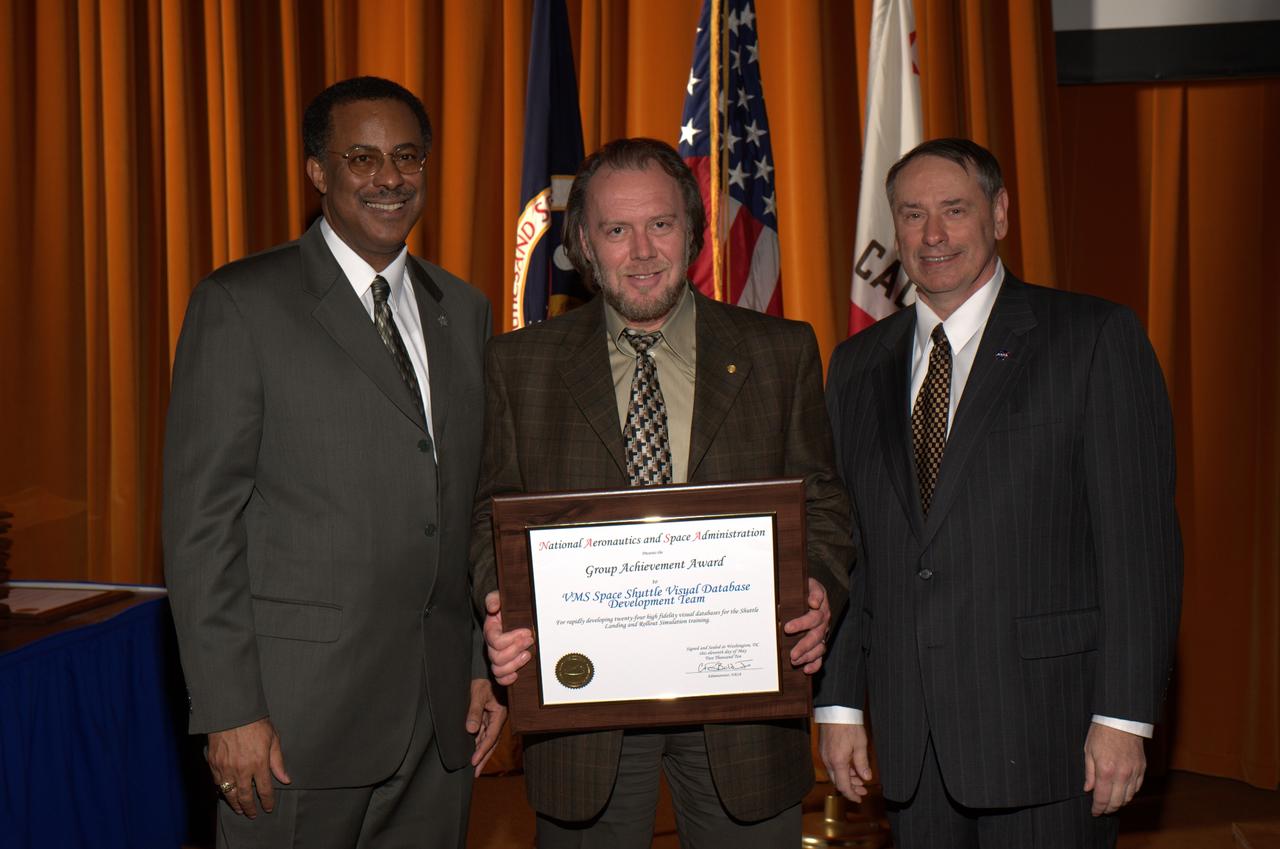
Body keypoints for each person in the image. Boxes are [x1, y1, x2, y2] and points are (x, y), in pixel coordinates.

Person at [470, 137, 853, 848]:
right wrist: (502, 600)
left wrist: (819, 580)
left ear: (694, 232)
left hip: (743, 715)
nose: (642, 251)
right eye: (617, 230)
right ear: (584, 243)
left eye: (661, 225)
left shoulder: (780, 351)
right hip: (584, 720)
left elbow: (823, 501)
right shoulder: (518, 365)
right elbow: (490, 513)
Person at [163, 76, 502, 849]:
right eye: (362, 157)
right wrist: (227, 708)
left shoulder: (465, 309)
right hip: (290, 727)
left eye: (407, 156)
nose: (390, 177)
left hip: (438, 721)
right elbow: (200, 527)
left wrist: (480, 662)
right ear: (318, 171)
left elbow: (472, 505)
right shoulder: (241, 303)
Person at [816, 137, 1182, 848]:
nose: (933, 234)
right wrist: (838, 701)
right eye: (913, 214)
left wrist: (1125, 717)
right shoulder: (856, 365)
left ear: (1001, 213)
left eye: (954, 210)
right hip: (913, 741)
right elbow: (851, 549)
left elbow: (1139, 551)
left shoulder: (1094, 337)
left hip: (1052, 736)